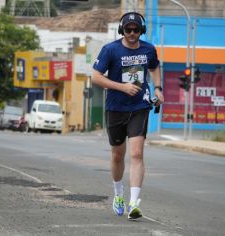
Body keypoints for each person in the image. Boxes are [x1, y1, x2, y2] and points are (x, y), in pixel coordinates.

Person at [92, 12, 164, 220]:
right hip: (115, 107)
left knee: (137, 154)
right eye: (128, 29)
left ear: (141, 30)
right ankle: (118, 195)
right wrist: (122, 87)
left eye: (136, 30)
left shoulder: (148, 49)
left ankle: (134, 203)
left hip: (139, 106)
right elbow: (95, 76)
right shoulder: (110, 50)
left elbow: (154, 66)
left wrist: (157, 88)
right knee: (117, 155)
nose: (132, 33)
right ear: (122, 30)